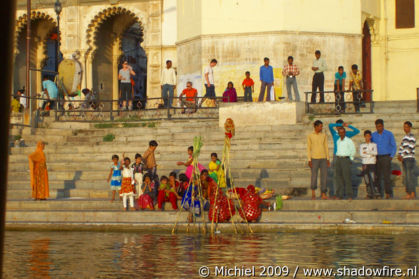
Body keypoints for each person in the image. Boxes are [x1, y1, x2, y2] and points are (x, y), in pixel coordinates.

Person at [328, 119, 360, 197]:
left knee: (346, 176)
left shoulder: (346, 134)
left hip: (345, 157)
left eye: (340, 126)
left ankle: (348, 194)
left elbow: (357, 131)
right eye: (338, 126)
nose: (339, 129)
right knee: (337, 176)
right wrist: (339, 125)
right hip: (336, 155)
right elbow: (330, 126)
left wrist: (347, 125)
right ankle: (337, 193)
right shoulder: (335, 133)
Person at [372, 119, 397, 199]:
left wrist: (391, 156)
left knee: (387, 176)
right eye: (377, 126)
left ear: (382, 126)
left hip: (386, 157)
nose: (378, 128)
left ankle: (388, 193)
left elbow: (394, 145)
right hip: (377, 158)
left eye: (379, 126)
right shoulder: (373, 135)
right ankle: (379, 193)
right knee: (377, 176)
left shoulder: (389, 134)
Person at [307, 120, 330, 200]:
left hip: (323, 158)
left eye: (322, 126)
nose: (321, 128)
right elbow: (308, 148)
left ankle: (323, 193)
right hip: (314, 158)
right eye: (320, 126)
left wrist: (328, 158)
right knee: (314, 176)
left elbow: (326, 147)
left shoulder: (324, 135)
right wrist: (309, 159)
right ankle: (313, 193)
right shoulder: (310, 135)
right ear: (316, 127)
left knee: (324, 176)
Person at [335, 127, 356, 200]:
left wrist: (350, 159)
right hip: (338, 159)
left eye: (343, 132)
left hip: (345, 159)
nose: (341, 134)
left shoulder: (348, 140)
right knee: (339, 178)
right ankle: (339, 194)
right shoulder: (338, 141)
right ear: (338, 133)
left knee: (347, 178)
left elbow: (353, 150)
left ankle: (349, 195)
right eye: (340, 132)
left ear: (345, 132)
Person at [398, 121, 416, 199]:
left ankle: (412, 193)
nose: (405, 128)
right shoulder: (404, 137)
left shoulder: (411, 137)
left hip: (409, 158)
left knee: (409, 176)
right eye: (404, 127)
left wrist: (402, 155)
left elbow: (410, 147)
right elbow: (401, 147)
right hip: (404, 159)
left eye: (407, 127)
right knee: (406, 177)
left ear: (410, 128)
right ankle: (408, 193)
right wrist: (399, 154)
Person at [360, 130, 379, 199]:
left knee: (373, 178)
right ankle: (369, 194)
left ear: (370, 136)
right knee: (366, 179)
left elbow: (375, 153)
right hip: (365, 163)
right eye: (366, 136)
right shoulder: (362, 145)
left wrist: (367, 153)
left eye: (368, 136)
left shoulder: (374, 145)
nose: (367, 137)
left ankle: (376, 193)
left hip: (372, 163)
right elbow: (362, 154)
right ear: (364, 137)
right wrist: (370, 153)